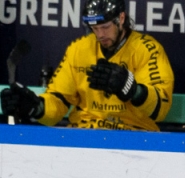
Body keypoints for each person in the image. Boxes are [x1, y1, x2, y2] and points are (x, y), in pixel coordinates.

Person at [0, 0, 173, 131]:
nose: (100, 34)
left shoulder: (147, 49)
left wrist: (134, 90)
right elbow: (58, 102)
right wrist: (36, 107)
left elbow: (162, 108)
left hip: (133, 137)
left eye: (105, 27)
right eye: (94, 28)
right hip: (82, 136)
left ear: (121, 18)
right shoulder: (79, 49)